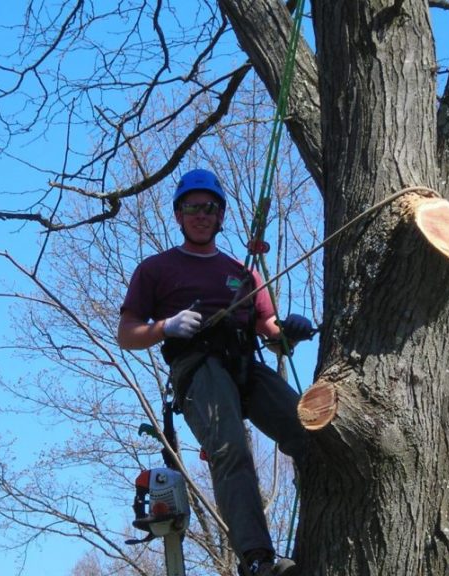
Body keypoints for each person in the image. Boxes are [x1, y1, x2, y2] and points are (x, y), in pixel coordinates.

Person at [117, 168, 315, 576]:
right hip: (199, 369)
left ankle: (317, 529)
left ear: (220, 214)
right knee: (231, 449)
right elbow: (126, 334)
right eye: (192, 208)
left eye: (209, 208)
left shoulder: (244, 273)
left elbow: (270, 330)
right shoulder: (156, 269)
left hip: (244, 364)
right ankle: (258, 560)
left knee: (309, 431)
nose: (201, 215)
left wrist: (289, 332)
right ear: (178, 215)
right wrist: (164, 327)